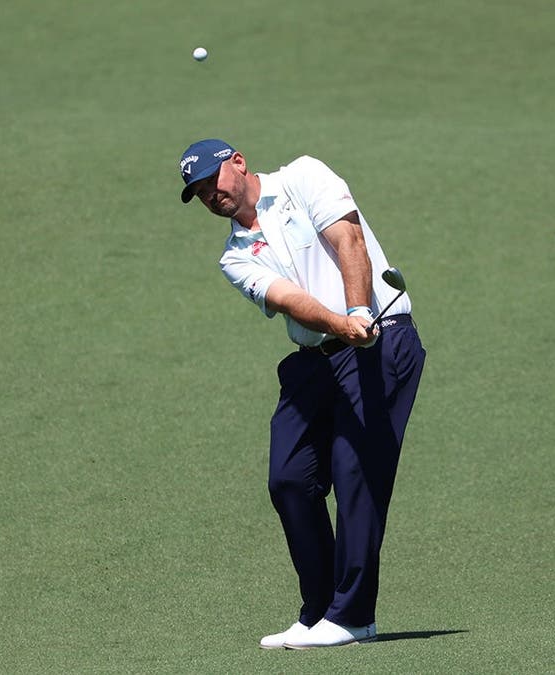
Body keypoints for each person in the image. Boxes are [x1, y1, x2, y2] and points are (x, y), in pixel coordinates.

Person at [176, 139, 426, 649]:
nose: (209, 194)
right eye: (198, 192)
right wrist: (338, 322)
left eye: (211, 180)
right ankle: (319, 612)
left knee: (357, 474)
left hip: (381, 341)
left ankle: (353, 616)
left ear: (239, 162)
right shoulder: (235, 256)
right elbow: (289, 299)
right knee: (289, 479)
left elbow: (348, 240)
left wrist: (357, 314)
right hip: (316, 359)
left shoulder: (304, 177)